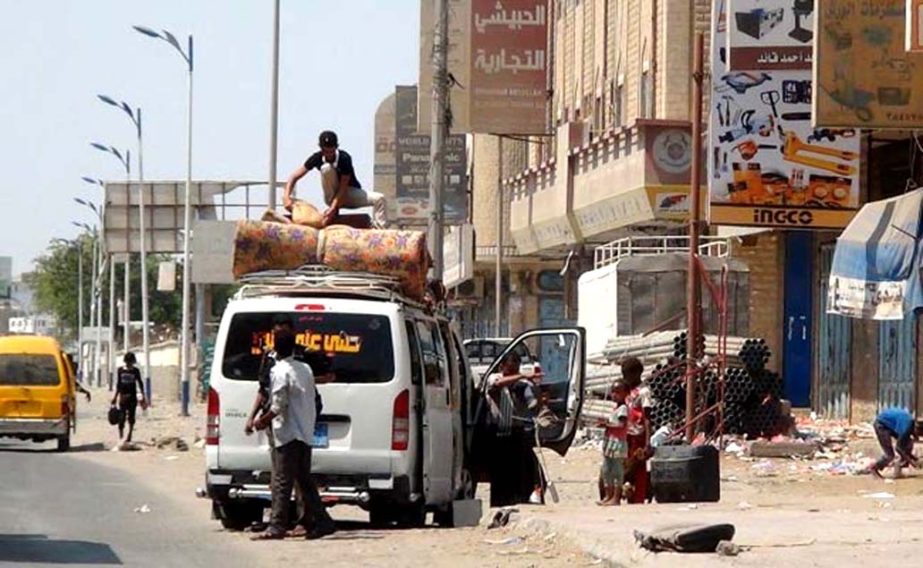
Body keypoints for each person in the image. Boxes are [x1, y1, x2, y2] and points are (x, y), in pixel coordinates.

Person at [251, 328, 336, 541]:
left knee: (281, 480)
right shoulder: (305, 368)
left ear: (276, 348)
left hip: (287, 433)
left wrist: (262, 421)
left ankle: (277, 526)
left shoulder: (279, 371)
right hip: (305, 431)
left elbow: (278, 405)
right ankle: (323, 521)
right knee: (303, 480)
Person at [283, 130, 387, 228]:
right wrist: (286, 197)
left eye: (331, 151)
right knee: (326, 168)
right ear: (321, 148)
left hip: (347, 193)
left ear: (336, 147)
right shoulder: (317, 158)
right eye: (325, 151)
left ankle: (380, 232)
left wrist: (333, 208)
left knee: (380, 198)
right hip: (331, 196)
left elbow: (343, 187)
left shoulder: (344, 158)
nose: (328, 154)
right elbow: (294, 177)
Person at [484, 352, 546, 506]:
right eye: (510, 369)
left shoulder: (522, 386)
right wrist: (520, 376)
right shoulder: (495, 377)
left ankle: (521, 500)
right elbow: (496, 385)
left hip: (516, 433)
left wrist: (537, 390)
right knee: (501, 476)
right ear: (502, 367)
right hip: (498, 434)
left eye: (516, 369)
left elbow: (533, 404)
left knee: (524, 474)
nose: (513, 372)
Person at [622, 357, 653, 504]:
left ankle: (639, 496)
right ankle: (628, 493)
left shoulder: (643, 392)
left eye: (626, 374)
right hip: (626, 434)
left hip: (638, 435)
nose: (624, 378)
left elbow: (647, 417)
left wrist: (647, 441)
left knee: (639, 466)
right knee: (626, 466)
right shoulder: (626, 390)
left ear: (636, 373)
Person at [598, 382, 630, 506]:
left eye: (617, 392)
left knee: (617, 470)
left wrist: (607, 425)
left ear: (625, 393)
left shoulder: (623, 409)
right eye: (613, 391)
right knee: (607, 470)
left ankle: (616, 498)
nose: (614, 395)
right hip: (609, 442)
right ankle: (608, 495)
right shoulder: (615, 408)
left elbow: (621, 424)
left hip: (617, 443)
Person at [869, 408, 920, 479]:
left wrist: (913, 458)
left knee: (908, 443)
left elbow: (912, 437)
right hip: (881, 425)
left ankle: (900, 466)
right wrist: (911, 461)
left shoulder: (911, 422)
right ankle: (874, 468)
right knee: (889, 455)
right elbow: (898, 448)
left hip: (890, 424)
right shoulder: (906, 427)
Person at [110, 352, 146, 442]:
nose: (129, 363)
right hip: (123, 397)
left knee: (131, 417)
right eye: (128, 362)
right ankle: (121, 435)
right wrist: (115, 397)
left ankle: (129, 434)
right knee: (121, 417)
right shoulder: (120, 370)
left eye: (131, 362)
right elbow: (118, 385)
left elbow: (140, 383)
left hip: (132, 397)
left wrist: (143, 395)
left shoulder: (135, 371)